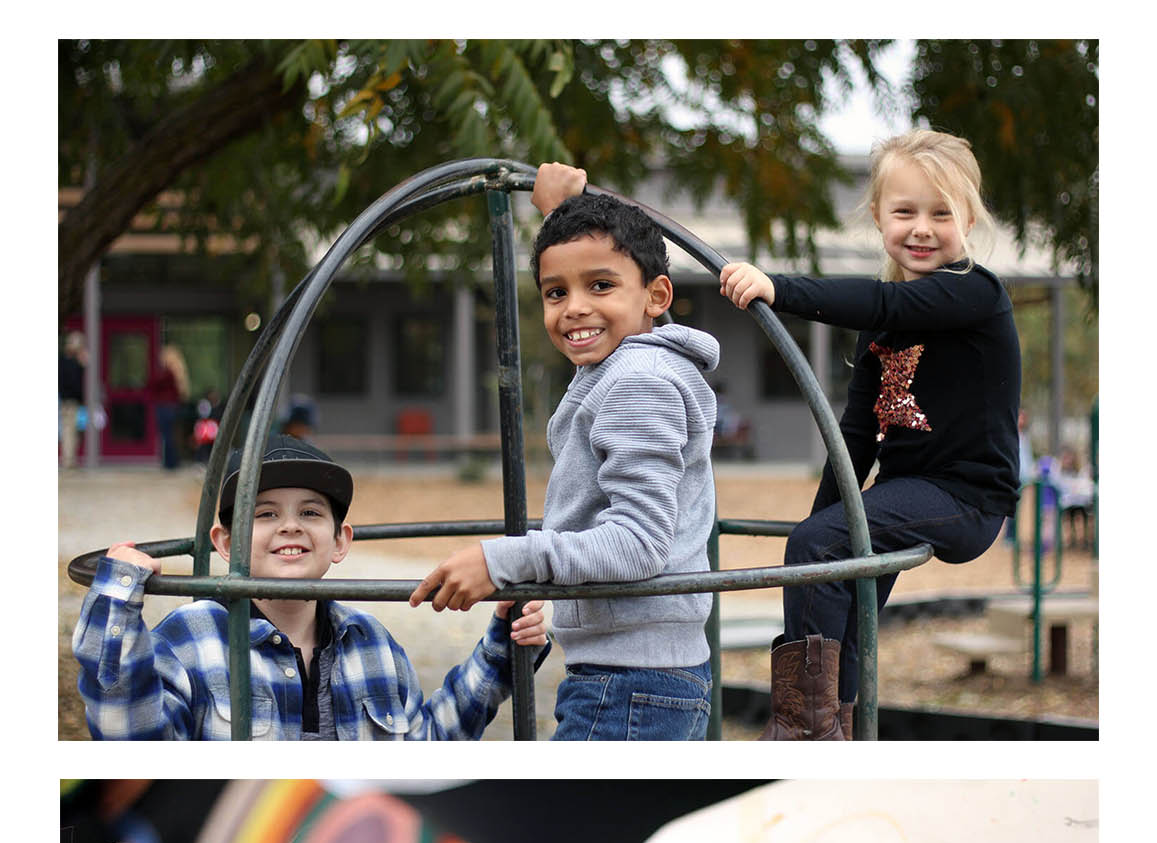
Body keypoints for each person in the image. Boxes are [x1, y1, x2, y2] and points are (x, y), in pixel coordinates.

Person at [720, 129, 1021, 740]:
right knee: (844, 593)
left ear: (968, 219)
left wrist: (779, 288)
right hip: (904, 490)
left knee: (822, 551)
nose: (921, 228)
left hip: (966, 498)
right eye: (904, 211)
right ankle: (840, 727)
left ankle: (804, 735)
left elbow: (884, 304)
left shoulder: (975, 294)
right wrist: (821, 525)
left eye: (941, 214)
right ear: (879, 217)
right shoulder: (882, 327)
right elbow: (855, 435)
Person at [410, 163, 719, 741]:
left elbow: (638, 545)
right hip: (643, 672)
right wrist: (557, 215)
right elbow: (630, 297)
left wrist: (501, 562)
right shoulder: (637, 361)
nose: (574, 307)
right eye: (556, 292)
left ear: (656, 295)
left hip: (630, 682)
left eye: (599, 286)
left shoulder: (638, 382)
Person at [72, 434, 548, 740]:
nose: (290, 527)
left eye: (311, 513)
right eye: (265, 514)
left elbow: (429, 743)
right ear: (223, 543)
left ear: (340, 542)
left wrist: (501, 651)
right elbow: (127, 732)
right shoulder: (191, 637)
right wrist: (117, 599)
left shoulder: (373, 643)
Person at [148, 344, 191, 470]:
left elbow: (153, 383)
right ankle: (172, 461)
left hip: (165, 407)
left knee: (167, 435)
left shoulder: (168, 374)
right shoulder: (177, 374)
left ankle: (170, 462)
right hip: (172, 407)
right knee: (170, 435)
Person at [59, 332, 88, 469]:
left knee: (72, 430)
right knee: (69, 431)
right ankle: (68, 461)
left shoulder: (64, 361)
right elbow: (75, 383)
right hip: (71, 401)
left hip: (68, 400)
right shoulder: (71, 362)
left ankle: (70, 459)